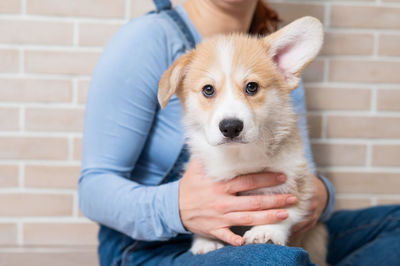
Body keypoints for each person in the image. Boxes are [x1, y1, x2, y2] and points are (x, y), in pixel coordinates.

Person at [78, 0, 400, 265]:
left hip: (274, 230)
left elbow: (304, 181)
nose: (231, 113)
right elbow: (92, 189)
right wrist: (179, 207)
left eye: (250, 87)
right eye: (208, 90)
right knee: (272, 261)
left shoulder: (271, 62)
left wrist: (322, 194)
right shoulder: (149, 39)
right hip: (155, 246)